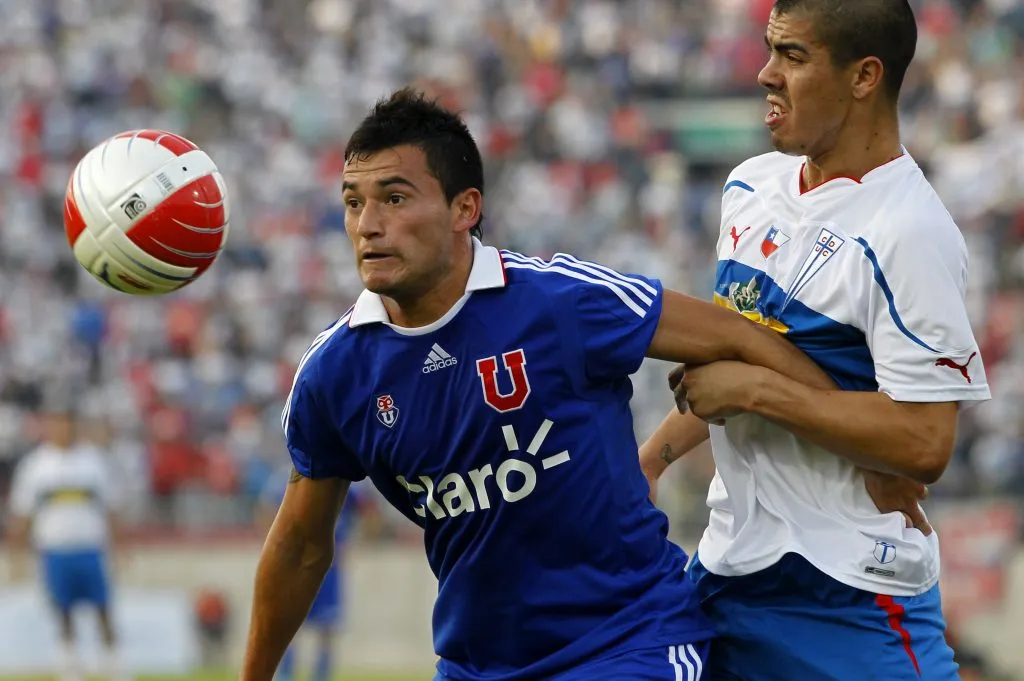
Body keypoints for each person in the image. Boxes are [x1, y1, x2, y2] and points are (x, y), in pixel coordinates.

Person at [240, 86, 841, 681]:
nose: (368, 225)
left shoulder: (560, 302)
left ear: (464, 209)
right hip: (476, 667)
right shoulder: (334, 374)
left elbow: (744, 338)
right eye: (353, 203)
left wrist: (865, 447)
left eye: (394, 198)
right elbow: (299, 547)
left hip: (630, 647)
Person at [639, 1, 990, 679]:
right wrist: (651, 458)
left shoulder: (910, 230)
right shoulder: (749, 187)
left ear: (863, 77)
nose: (767, 74)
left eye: (794, 56)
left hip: (850, 592)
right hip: (726, 571)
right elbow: (732, 354)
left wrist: (759, 390)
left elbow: (924, 441)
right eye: (770, 50)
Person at [7, 405, 129, 681]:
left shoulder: (93, 461)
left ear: (75, 426)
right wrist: (15, 553)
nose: (62, 430)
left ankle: (113, 666)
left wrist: (121, 546)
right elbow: (22, 512)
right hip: (54, 551)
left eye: (67, 424)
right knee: (63, 611)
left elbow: (111, 507)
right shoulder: (35, 465)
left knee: (103, 608)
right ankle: (70, 667)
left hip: (90, 549)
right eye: (56, 424)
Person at [255, 465, 369, 681]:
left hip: (331, 568)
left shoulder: (347, 481)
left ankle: (320, 675)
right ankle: (286, 674)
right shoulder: (287, 480)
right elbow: (265, 510)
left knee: (326, 627)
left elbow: (368, 510)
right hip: (298, 565)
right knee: (290, 623)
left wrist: (356, 541)